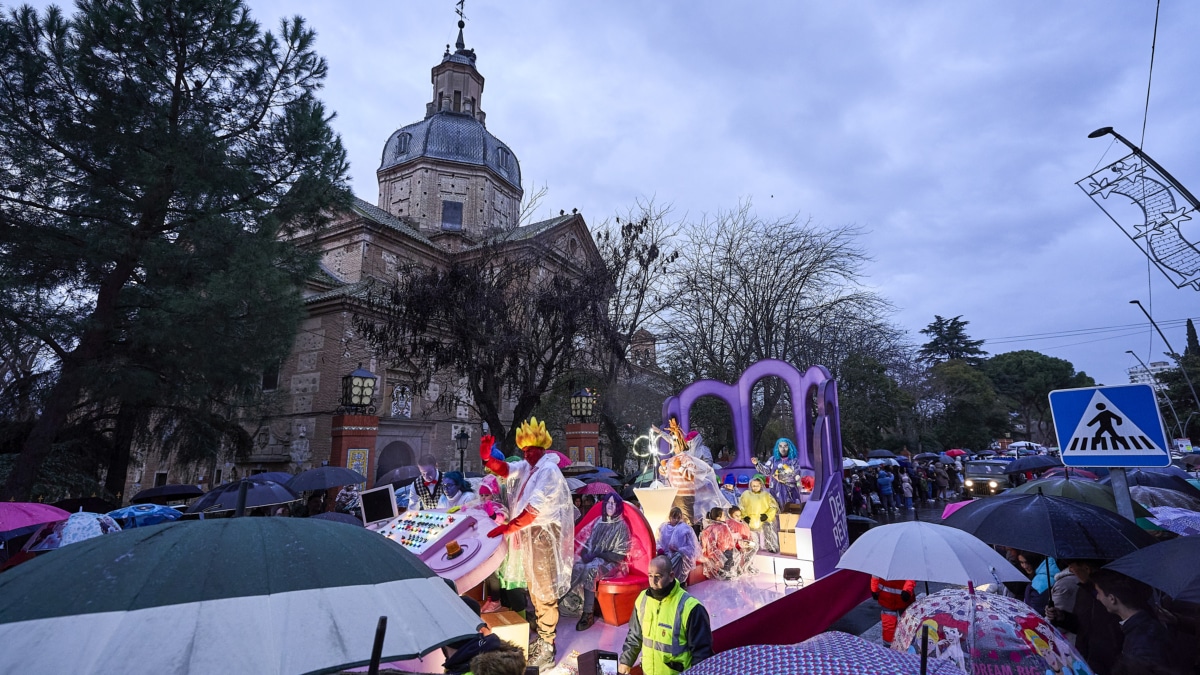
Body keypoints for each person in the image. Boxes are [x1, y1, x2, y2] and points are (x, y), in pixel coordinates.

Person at [480, 418, 574, 670]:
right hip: (529, 534)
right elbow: (506, 471)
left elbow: (535, 507)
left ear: (542, 449)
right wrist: (489, 458)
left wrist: (509, 527)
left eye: (531, 450)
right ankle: (543, 638)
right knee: (534, 588)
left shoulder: (548, 471)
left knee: (544, 590)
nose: (526, 454)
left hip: (542, 535)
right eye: (523, 451)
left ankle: (547, 644)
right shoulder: (530, 467)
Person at [618, 555, 714, 675]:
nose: (653, 582)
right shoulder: (642, 600)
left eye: (658, 577)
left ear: (671, 576)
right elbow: (635, 635)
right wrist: (625, 662)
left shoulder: (691, 608)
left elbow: (702, 653)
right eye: (650, 576)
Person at [1089, 568, 1191, 675]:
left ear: (1112, 599)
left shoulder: (1141, 642)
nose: (1097, 597)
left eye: (1098, 592)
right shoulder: (1143, 627)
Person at [565, 493, 631, 630]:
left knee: (590, 570)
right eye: (608, 503)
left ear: (618, 506)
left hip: (612, 564)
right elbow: (589, 543)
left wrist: (598, 554)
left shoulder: (621, 526)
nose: (610, 506)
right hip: (595, 559)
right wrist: (585, 555)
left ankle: (588, 613)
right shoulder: (599, 522)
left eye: (613, 503)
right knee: (575, 567)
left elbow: (619, 556)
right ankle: (562, 604)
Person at [1046, 559, 1124, 674]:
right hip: (1085, 659)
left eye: (1072, 567)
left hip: (1108, 663)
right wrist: (1061, 617)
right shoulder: (1083, 591)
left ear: (1086, 569)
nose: (1071, 570)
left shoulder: (1110, 593)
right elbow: (1081, 625)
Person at [651, 418, 729, 524]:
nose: (688, 442)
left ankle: (702, 525)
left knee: (697, 510)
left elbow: (706, 465)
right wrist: (664, 468)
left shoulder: (700, 451)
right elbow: (673, 440)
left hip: (698, 484)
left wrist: (697, 471)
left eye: (690, 441)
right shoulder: (681, 454)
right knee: (681, 515)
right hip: (679, 490)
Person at [738, 474, 779, 553]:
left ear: (761, 485)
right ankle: (752, 549)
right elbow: (741, 506)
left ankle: (770, 547)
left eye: (757, 485)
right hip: (750, 521)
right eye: (753, 486)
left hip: (763, 521)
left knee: (765, 534)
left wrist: (767, 515)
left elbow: (773, 507)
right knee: (752, 536)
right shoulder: (746, 494)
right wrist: (744, 516)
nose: (755, 487)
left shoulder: (766, 495)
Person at [871, 575, 916, 648]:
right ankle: (890, 646)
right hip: (893, 598)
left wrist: (874, 589)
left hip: (894, 597)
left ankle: (902, 646)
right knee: (892, 625)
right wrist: (907, 590)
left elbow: (876, 574)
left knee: (906, 625)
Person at [657, 506, 699, 583]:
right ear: (669, 517)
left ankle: (679, 583)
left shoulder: (685, 529)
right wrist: (659, 549)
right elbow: (658, 541)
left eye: (678, 518)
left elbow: (692, 546)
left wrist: (679, 550)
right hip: (665, 556)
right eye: (674, 517)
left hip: (680, 557)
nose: (676, 520)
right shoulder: (663, 527)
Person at [763, 437, 805, 507]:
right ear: (777, 448)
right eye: (780, 446)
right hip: (775, 492)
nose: (783, 449)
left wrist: (780, 477)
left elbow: (796, 476)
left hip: (790, 493)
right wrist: (757, 464)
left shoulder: (794, 461)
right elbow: (766, 471)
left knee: (791, 511)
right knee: (776, 511)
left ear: (789, 447)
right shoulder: (773, 459)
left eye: (785, 446)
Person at [1016, 551, 1059, 616]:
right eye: (1021, 562)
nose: (1025, 566)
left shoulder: (1040, 582)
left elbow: (1036, 612)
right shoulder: (1050, 571)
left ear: (1034, 560)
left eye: (1027, 562)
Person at [699, 507, 736, 580]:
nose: (725, 517)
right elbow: (728, 540)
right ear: (718, 518)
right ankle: (724, 573)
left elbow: (704, 540)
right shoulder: (723, 527)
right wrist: (731, 546)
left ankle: (722, 572)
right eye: (723, 515)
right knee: (729, 557)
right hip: (722, 551)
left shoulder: (709, 527)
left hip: (713, 552)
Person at [724, 506, 758, 575]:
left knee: (754, 546)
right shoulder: (728, 523)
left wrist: (749, 540)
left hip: (743, 542)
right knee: (749, 547)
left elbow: (747, 534)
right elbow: (729, 536)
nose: (739, 517)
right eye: (736, 516)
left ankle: (748, 565)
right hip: (735, 544)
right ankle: (740, 567)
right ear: (730, 515)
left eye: (740, 515)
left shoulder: (742, 523)